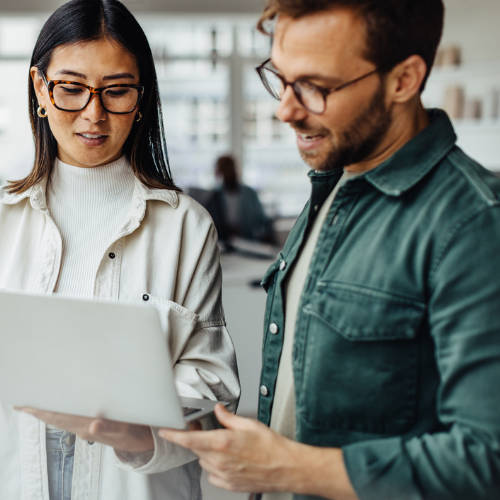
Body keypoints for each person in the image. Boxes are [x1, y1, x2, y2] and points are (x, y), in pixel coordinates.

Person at [160, 1, 500, 499]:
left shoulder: (474, 222)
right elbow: (301, 410)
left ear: (404, 79)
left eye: (316, 87)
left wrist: (290, 470)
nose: (285, 109)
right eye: (280, 77)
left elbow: (486, 459)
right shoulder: (334, 186)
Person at [0, 1, 239, 499]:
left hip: (133, 484)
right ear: (40, 89)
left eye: (116, 91)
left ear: (141, 97)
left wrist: (135, 433)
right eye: (71, 88)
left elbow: (213, 391)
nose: (94, 113)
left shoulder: (185, 227)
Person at [214, 155, 275, 243]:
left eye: (229, 169)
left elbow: (261, 220)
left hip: (248, 242)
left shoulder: (249, 194)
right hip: (223, 243)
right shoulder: (215, 195)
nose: (228, 173)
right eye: (224, 170)